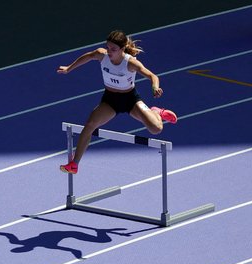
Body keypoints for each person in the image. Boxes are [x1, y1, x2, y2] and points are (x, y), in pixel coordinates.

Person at [57, 30, 177, 174]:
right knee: (89, 125)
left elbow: (153, 76)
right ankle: (74, 164)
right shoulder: (102, 55)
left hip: (130, 100)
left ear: (122, 49)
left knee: (156, 129)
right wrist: (69, 68)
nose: (109, 51)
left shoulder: (131, 63)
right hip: (110, 100)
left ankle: (156, 112)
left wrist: (155, 87)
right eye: (108, 47)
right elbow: (88, 56)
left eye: (113, 49)